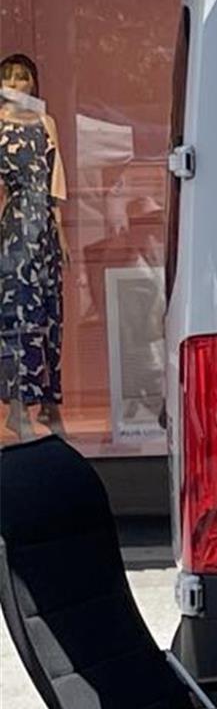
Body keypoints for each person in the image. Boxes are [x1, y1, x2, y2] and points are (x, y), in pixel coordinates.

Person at [0, 53, 67, 443]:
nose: (15, 84)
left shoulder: (45, 122)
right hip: (14, 229)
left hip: (44, 229)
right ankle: (18, 407)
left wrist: (59, 232)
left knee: (49, 315)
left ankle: (50, 402)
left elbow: (55, 179)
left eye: (21, 77)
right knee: (17, 315)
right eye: (8, 77)